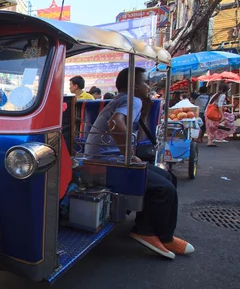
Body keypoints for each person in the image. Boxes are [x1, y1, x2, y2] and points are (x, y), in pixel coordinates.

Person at [85, 67, 194, 260]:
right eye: (146, 82)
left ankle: (149, 229)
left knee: (169, 178)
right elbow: (116, 124)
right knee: (164, 189)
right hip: (108, 161)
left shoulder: (129, 101)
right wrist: (131, 157)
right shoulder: (131, 99)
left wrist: (146, 108)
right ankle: (160, 235)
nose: (149, 85)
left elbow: (135, 133)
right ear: (134, 86)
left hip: (108, 157)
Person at [206, 82, 235, 147]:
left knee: (210, 128)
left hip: (209, 112)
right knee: (230, 117)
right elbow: (219, 106)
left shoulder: (216, 94)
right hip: (215, 113)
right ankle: (222, 124)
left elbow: (214, 104)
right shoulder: (223, 95)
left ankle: (210, 141)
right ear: (227, 89)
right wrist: (222, 116)